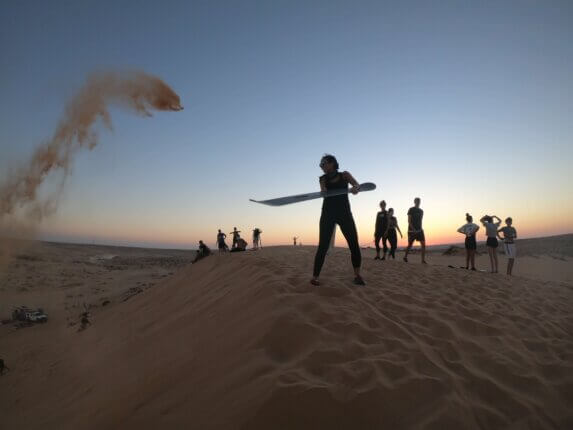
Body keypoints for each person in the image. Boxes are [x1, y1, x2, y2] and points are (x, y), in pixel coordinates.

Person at [311, 154, 364, 286]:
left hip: (344, 214)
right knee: (322, 246)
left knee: (353, 244)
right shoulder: (322, 178)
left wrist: (355, 189)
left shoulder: (344, 175)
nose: (321, 166)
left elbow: (357, 186)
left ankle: (357, 275)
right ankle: (315, 277)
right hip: (328, 214)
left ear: (332, 163)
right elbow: (323, 192)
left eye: (323, 163)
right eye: (320, 165)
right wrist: (323, 191)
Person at [403, 197, 427, 264]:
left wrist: (420, 229)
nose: (418, 202)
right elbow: (409, 221)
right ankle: (405, 257)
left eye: (419, 201)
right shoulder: (411, 209)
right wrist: (413, 229)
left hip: (420, 230)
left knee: (423, 245)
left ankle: (423, 260)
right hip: (411, 231)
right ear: (414, 202)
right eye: (417, 201)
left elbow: (420, 220)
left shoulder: (421, 211)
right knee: (410, 245)